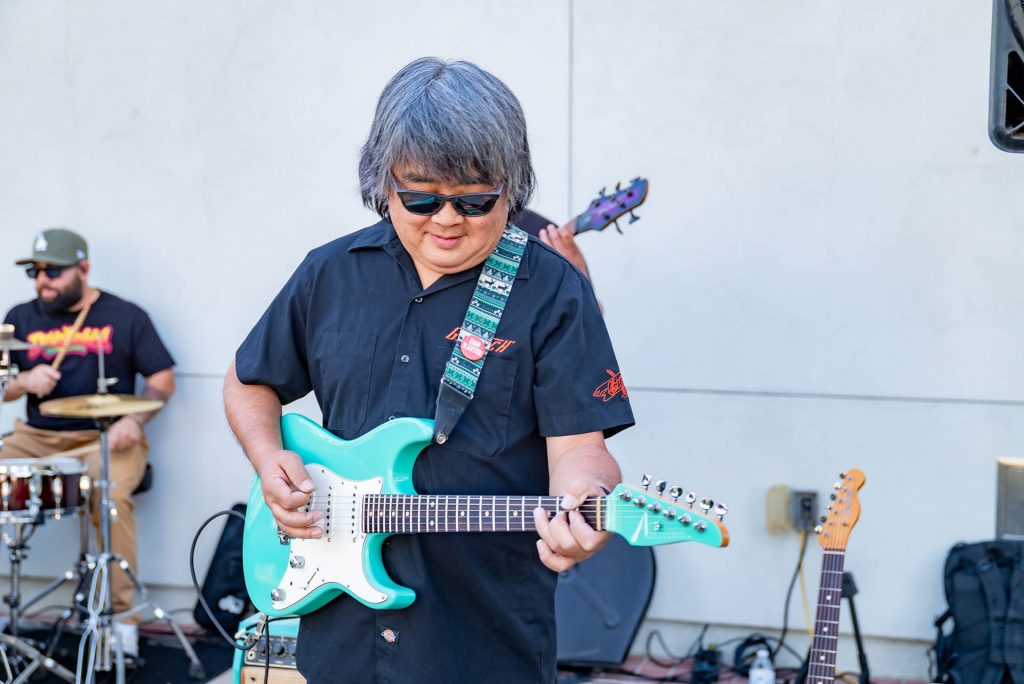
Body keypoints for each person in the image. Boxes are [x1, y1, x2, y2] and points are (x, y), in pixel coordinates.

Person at [223, 57, 634, 683]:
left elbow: (582, 449)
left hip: (483, 633)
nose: (446, 219)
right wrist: (266, 458)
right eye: (420, 196)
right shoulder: (330, 273)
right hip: (341, 629)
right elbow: (250, 380)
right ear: (381, 179)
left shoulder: (554, 291)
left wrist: (587, 504)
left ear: (512, 186)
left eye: (474, 200)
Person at [1, 228, 176, 657]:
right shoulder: (20, 316)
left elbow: (162, 379)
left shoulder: (126, 316)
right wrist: (24, 380)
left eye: (53, 272)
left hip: (105, 439)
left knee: (108, 497)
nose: (43, 281)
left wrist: (134, 419)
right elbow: (3, 384)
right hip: (36, 438)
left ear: (83, 269)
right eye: (36, 272)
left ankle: (121, 624)